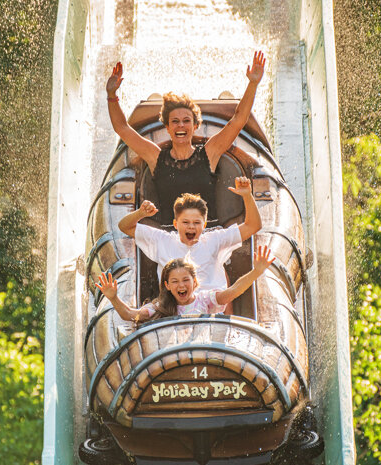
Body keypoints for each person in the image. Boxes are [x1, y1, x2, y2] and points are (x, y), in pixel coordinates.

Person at [105, 51, 266, 222]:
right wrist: (111, 95)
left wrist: (253, 83)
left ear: (195, 126)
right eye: (175, 121)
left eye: (186, 121)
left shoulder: (209, 153)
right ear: (167, 127)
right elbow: (122, 128)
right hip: (169, 238)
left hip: (208, 236)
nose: (180, 125)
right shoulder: (155, 157)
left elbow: (238, 120)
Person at [117, 177, 262, 291]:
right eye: (185, 222)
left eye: (196, 223)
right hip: (174, 316)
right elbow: (124, 226)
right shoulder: (162, 240)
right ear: (175, 224)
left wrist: (247, 195)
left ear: (204, 225)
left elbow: (253, 226)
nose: (191, 227)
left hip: (210, 314)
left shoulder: (215, 239)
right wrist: (141, 213)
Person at [95, 245, 276, 323]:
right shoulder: (160, 307)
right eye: (175, 281)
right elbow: (130, 315)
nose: (180, 285)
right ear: (167, 285)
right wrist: (113, 297)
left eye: (185, 280)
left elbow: (233, 291)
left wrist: (257, 271)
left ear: (194, 282)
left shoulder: (206, 300)